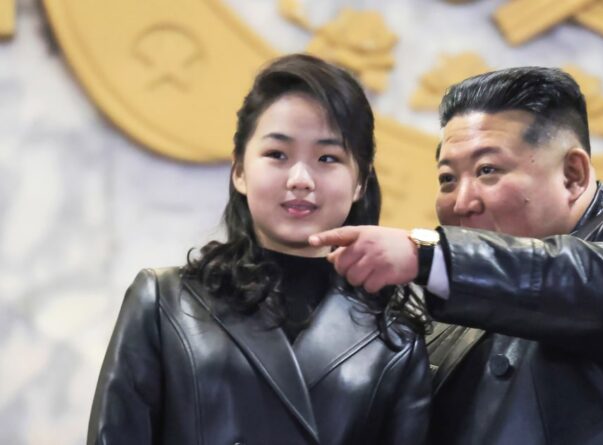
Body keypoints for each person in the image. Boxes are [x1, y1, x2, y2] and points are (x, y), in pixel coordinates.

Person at [310, 67, 603, 444]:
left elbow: (594, 285)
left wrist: (427, 255)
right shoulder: (445, 312)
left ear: (572, 175)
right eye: (447, 179)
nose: (462, 202)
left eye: (488, 171)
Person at [87, 54, 431, 445]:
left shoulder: (395, 338)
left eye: (327, 158)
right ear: (239, 171)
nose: (300, 179)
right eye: (277, 155)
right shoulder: (164, 302)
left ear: (360, 183)